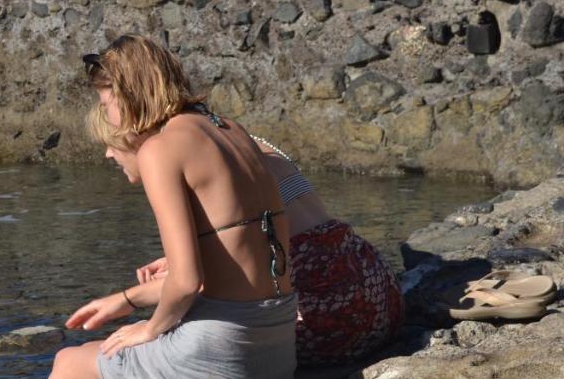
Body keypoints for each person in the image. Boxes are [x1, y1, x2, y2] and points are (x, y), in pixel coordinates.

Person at [21, 34, 298, 379]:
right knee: (103, 364)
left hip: (227, 357)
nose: (109, 115)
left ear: (130, 94)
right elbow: (234, 251)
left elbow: (188, 280)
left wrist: (150, 327)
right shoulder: (231, 130)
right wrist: (129, 305)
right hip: (276, 346)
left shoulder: (162, 148)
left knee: (68, 364)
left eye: (107, 102)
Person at [134, 138, 403, 365]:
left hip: (331, 316)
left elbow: (202, 281)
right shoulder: (241, 137)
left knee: (167, 336)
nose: (108, 153)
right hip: (377, 290)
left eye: (110, 143)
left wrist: (134, 301)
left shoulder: (188, 157)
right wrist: (183, 259)